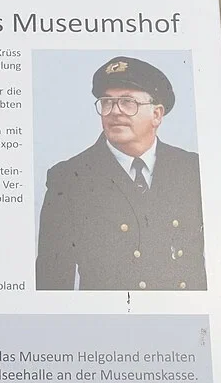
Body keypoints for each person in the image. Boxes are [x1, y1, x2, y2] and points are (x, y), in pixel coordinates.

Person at [35, 56, 206, 290]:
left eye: (127, 102)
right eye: (107, 102)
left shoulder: (191, 169)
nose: (115, 111)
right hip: (109, 322)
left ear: (156, 114)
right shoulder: (69, 179)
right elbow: (52, 276)